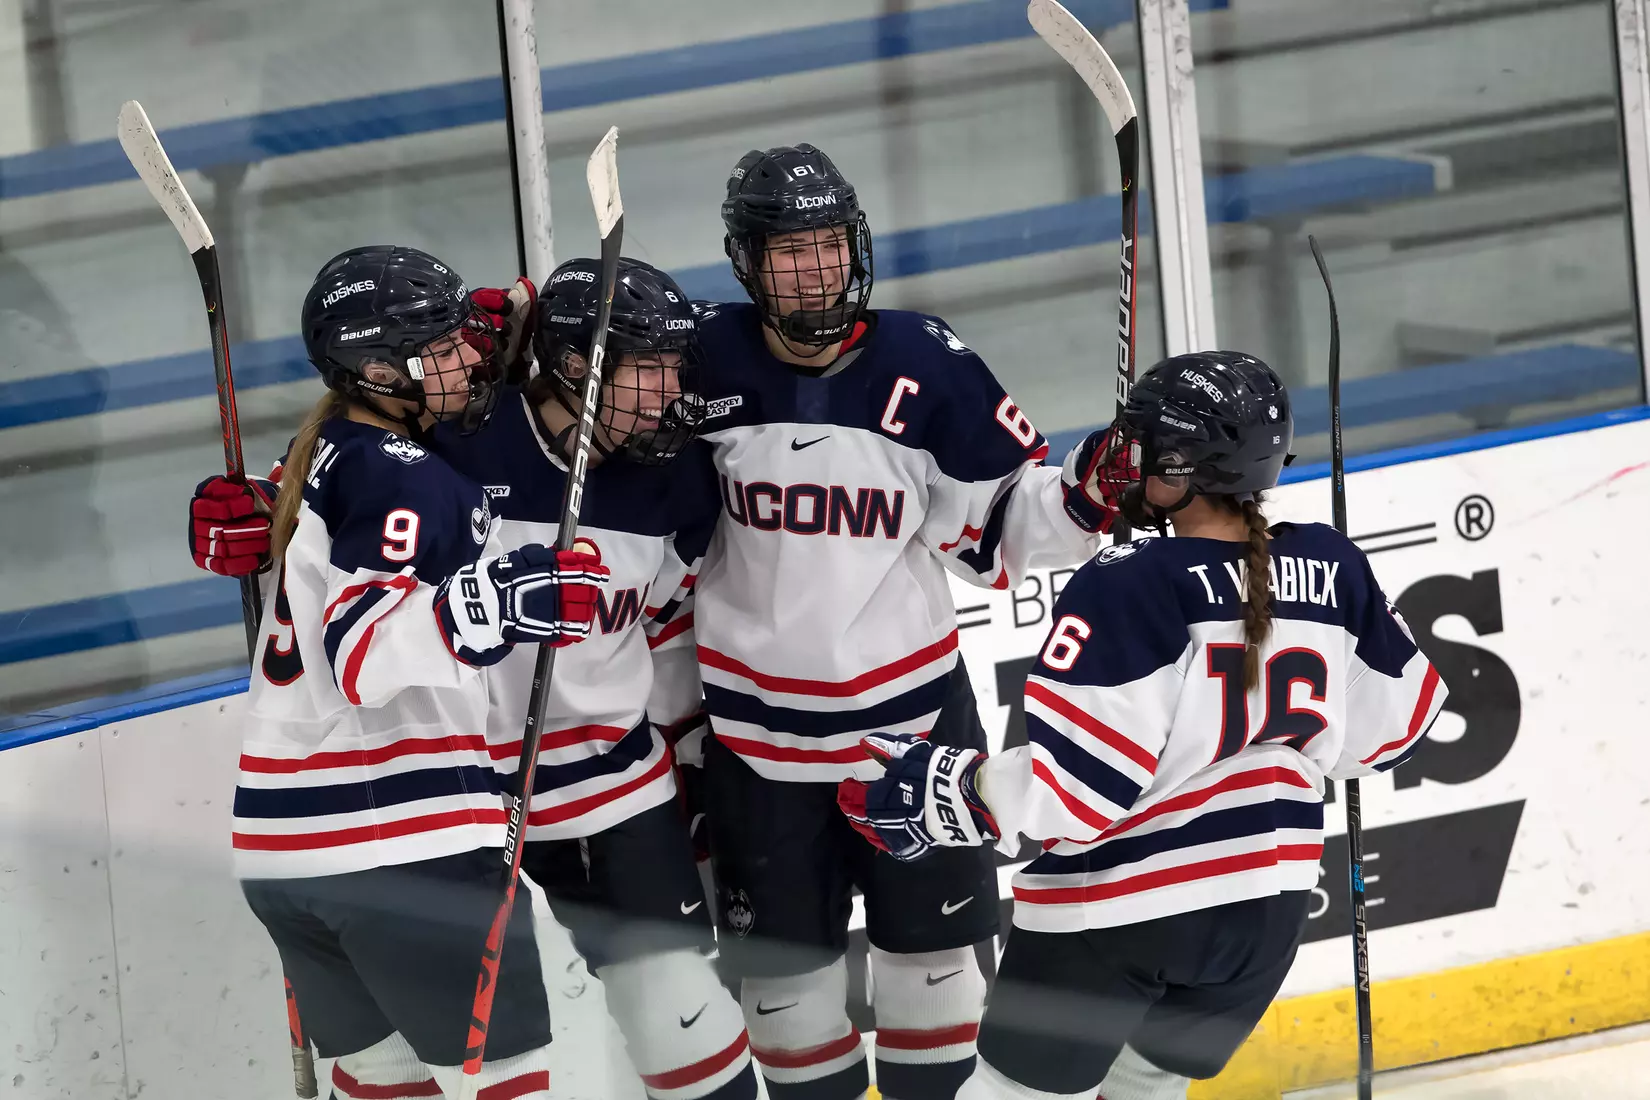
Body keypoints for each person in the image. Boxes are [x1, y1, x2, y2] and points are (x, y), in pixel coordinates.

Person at [191, 254, 756, 1100]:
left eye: (674, 365)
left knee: (679, 1020)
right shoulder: (456, 431)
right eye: (645, 368)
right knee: (432, 1070)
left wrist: (690, 760)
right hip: (448, 794)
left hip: (598, 787)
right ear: (572, 366)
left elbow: (671, 633)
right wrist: (270, 501)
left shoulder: (680, 481)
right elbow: (357, 473)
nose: (668, 390)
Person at [837, 351, 1448, 1100]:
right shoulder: (1332, 563)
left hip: (1122, 912)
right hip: (1267, 913)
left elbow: (1079, 791)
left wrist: (950, 789)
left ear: (1184, 465)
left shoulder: (1130, 580)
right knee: (1145, 1091)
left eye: (1142, 445)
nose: (1124, 460)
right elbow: (1400, 728)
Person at [677, 143, 1130, 1100]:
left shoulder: (927, 362)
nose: (816, 270)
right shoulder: (697, 358)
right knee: (785, 1005)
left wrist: (1088, 497)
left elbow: (1001, 527)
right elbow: (584, 431)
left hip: (913, 741)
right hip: (757, 745)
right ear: (746, 263)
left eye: (829, 246)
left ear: (857, 247)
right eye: (789, 252)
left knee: (935, 986)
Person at [230, 245, 609, 1100]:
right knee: (508, 1086)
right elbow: (361, 655)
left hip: (282, 850)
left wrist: (501, 328)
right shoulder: (407, 479)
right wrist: (491, 603)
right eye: (441, 348)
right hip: (399, 843)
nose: (469, 357)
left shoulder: (321, 447)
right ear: (375, 368)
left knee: (387, 1088)